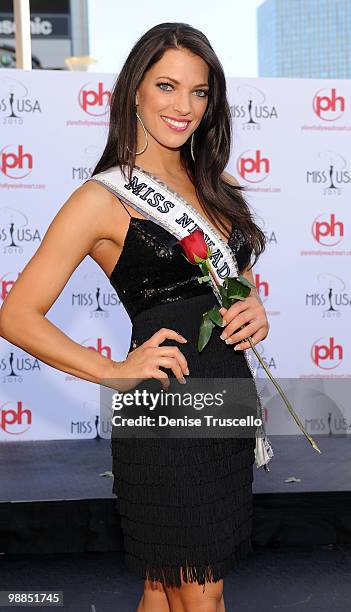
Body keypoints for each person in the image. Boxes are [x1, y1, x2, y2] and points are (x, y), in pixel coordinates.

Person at [0, 22, 270, 612]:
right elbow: (17, 315)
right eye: (167, 86)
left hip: (225, 398)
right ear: (135, 92)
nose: (184, 106)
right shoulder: (103, 198)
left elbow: (231, 277)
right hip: (166, 406)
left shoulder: (214, 183)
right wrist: (113, 372)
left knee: (165, 584)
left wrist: (252, 304)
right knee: (202, 591)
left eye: (199, 92)